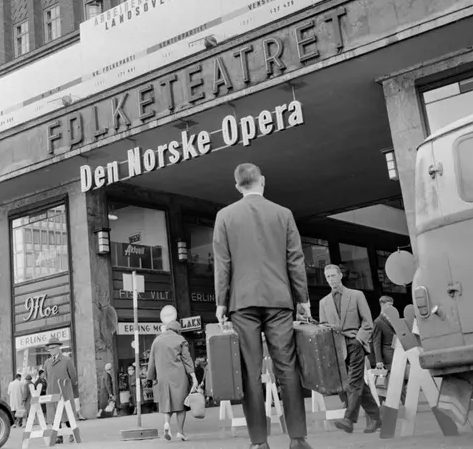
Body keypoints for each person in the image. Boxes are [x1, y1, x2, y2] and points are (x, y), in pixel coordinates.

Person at [213, 163, 313, 449]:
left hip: (242, 301)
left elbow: (223, 263)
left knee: (250, 371)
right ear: (262, 181)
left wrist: (221, 302)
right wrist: (303, 299)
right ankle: (297, 438)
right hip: (279, 300)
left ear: (237, 186)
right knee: (287, 367)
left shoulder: (224, 216)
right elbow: (295, 260)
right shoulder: (283, 214)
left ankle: (259, 442)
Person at [319, 264, 381, 434]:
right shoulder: (323, 302)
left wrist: (359, 340)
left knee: (353, 382)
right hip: (337, 348)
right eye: (327, 277)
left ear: (340, 275)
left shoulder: (356, 295)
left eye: (333, 275)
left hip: (355, 343)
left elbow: (368, 322)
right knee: (356, 384)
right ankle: (376, 417)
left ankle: (349, 419)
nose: (330, 279)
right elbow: (324, 328)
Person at [147, 320, 198, 442]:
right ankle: (180, 432)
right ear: (177, 329)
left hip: (163, 377)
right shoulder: (180, 339)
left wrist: (151, 377)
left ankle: (167, 424)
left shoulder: (157, 340)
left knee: (167, 402)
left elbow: (151, 361)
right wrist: (194, 377)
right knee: (181, 404)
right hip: (178, 375)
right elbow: (186, 359)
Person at [43, 338, 78, 444]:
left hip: (64, 392)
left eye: (52, 348)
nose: (50, 350)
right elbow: (46, 377)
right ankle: (58, 437)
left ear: (58, 348)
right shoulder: (47, 362)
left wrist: (67, 387)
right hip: (52, 393)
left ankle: (72, 434)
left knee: (68, 415)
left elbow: (73, 377)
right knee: (55, 417)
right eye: (49, 348)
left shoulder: (66, 360)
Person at [372, 296, 396, 371]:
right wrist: (379, 361)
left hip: (397, 353)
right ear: (382, 304)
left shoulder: (394, 318)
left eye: (392, 305)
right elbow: (376, 342)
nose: (392, 307)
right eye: (389, 305)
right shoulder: (378, 322)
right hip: (388, 357)